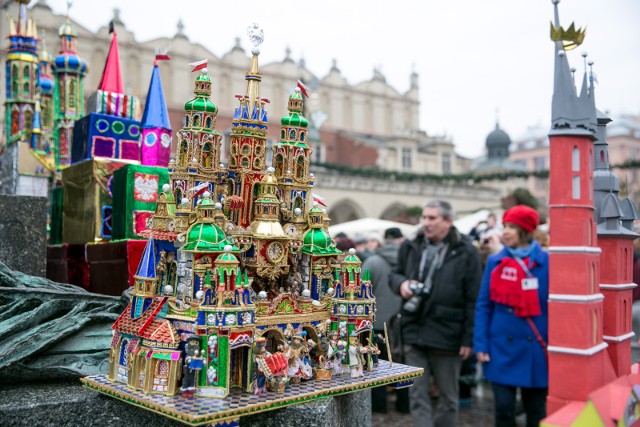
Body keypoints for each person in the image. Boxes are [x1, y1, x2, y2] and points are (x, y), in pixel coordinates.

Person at [390, 199, 482, 427]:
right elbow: (395, 274)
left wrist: (468, 339)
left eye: (433, 218)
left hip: (448, 335)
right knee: (417, 395)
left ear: (448, 221)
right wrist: (401, 284)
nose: (426, 223)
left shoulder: (466, 251)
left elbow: (474, 299)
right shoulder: (411, 245)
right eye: (424, 217)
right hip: (413, 330)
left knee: (448, 397)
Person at [474, 204, 549, 427]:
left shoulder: (547, 263)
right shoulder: (495, 262)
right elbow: (483, 305)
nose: (505, 231)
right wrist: (481, 344)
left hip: (536, 347)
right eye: (504, 225)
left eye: (512, 227)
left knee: (536, 412)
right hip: (501, 347)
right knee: (504, 410)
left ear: (526, 230)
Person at [362, 226, 409, 413]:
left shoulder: (372, 262)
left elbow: (361, 293)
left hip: (376, 323)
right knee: (404, 365)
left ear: (384, 240)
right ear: (401, 240)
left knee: (377, 364)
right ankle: (404, 405)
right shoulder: (410, 262)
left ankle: (379, 406)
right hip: (403, 321)